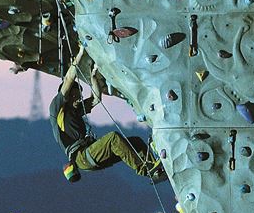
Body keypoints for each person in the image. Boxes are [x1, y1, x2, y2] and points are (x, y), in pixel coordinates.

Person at [49, 47, 167, 182]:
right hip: (82, 157)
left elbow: (96, 99)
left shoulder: (75, 109)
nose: (79, 98)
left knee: (136, 142)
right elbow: (70, 78)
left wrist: (93, 76)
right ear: (69, 95)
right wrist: (81, 52)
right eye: (77, 94)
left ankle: (155, 172)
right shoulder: (57, 108)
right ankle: (144, 169)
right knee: (113, 139)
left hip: (88, 155)